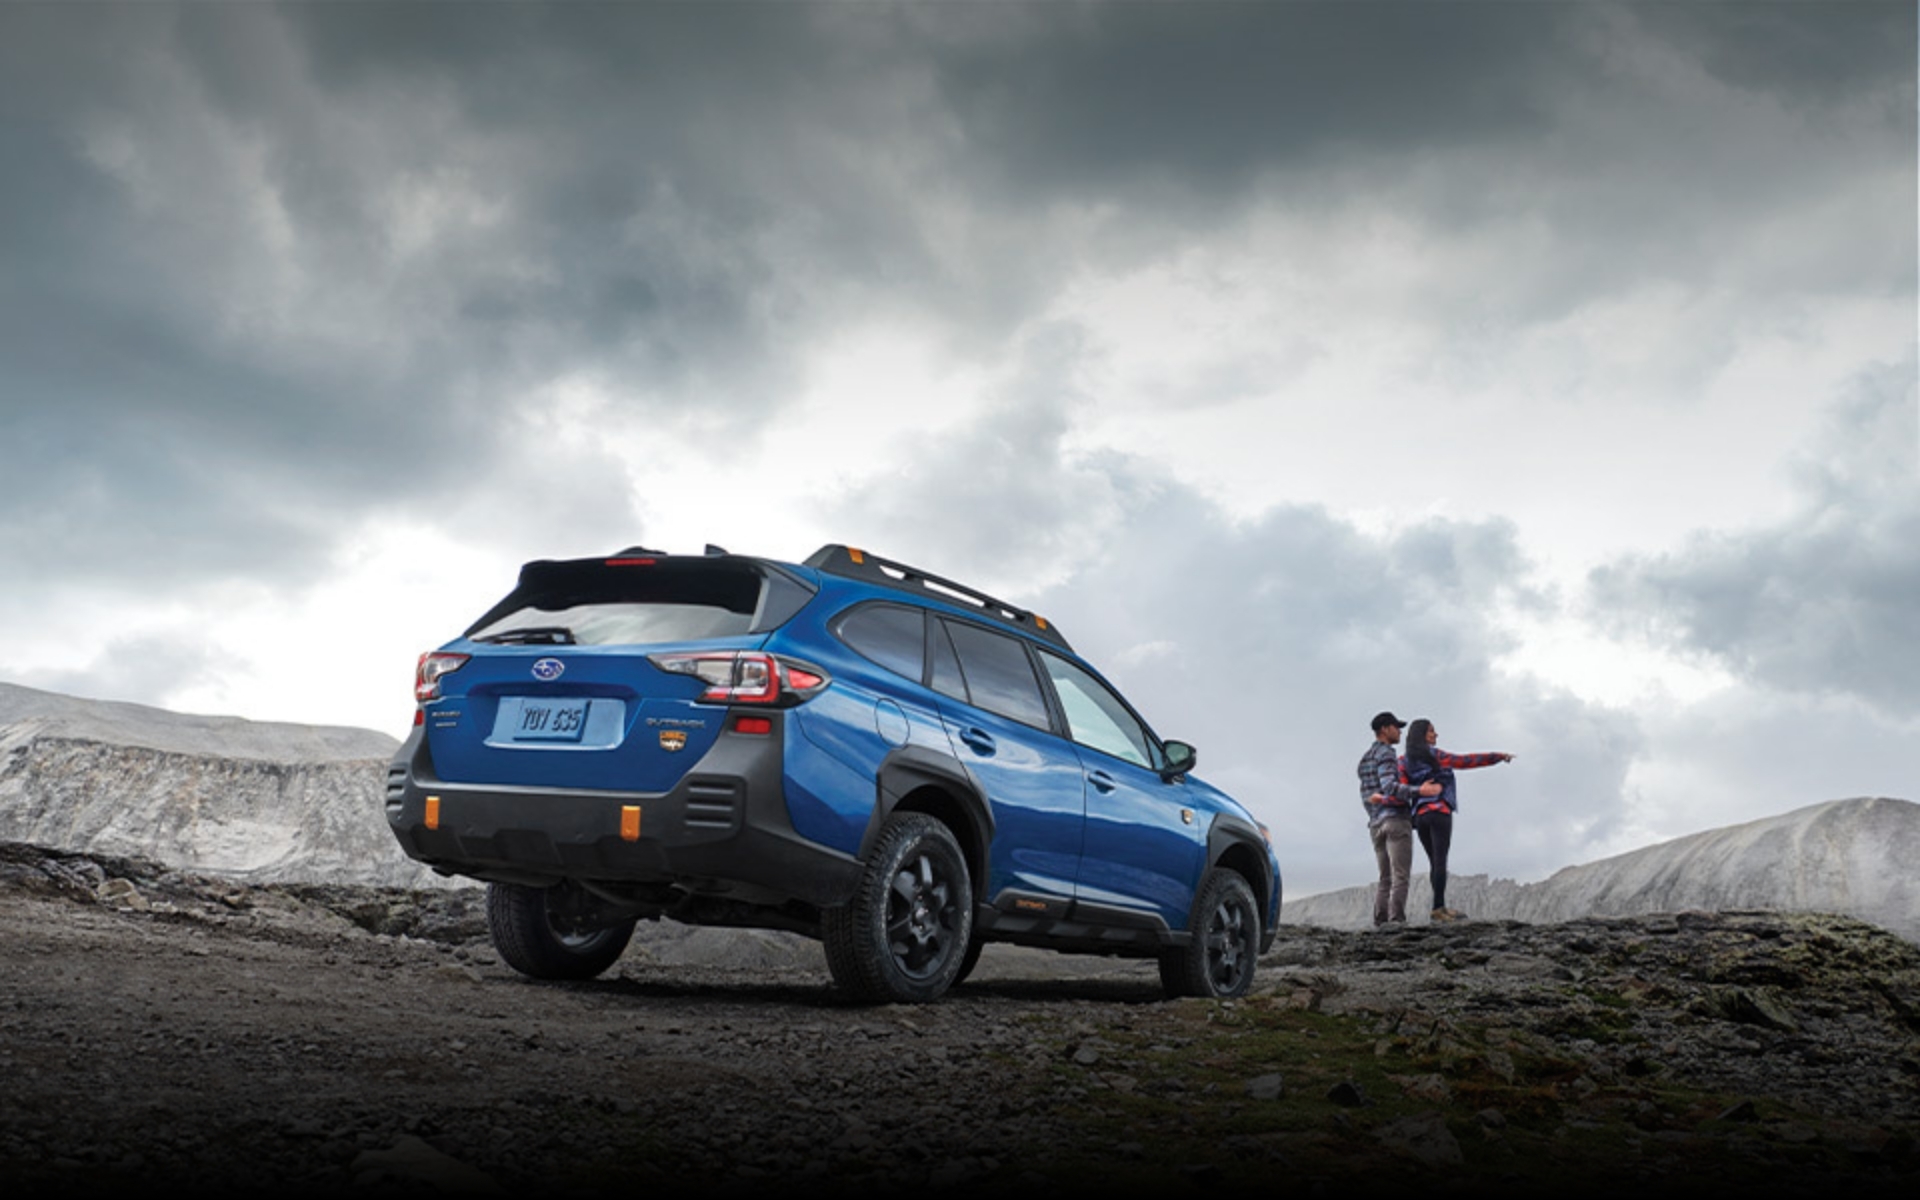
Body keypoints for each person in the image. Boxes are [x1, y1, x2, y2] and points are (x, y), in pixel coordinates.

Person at [1401, 717, 1513, 923]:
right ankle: (1438, 908)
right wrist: (1498, 756)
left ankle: (1439, 905)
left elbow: (1402, 789)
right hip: (1440, 810)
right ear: (1421, 735)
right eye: (1431, 731)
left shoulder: (1403, 761)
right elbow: (1467, 761)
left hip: (1420, 815)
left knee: (1433, 861)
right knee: (1440, 860)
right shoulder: (1436, 756)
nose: (1436, 735)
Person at [1358, 711, 1442, 927]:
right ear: (1385, 729)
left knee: (1384, 877)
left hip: (1375, 824)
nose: (1400, 731)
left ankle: (1380, 921)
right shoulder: (1386, 754)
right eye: (1396, 727)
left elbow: (1368, 795)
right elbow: (1390, 787)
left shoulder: (1365, 759)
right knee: (1400, 876)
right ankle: (1396, 921)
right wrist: (1420, 790)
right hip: (1395, 821)